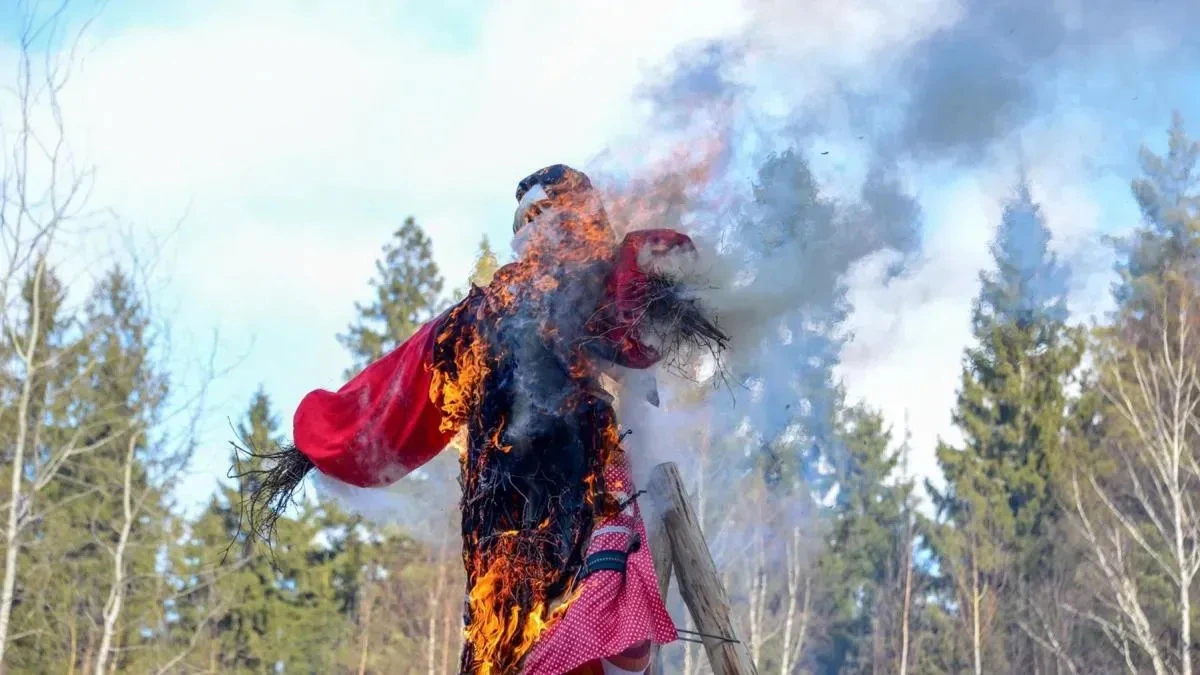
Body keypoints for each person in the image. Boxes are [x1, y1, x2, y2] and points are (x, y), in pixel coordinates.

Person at [250, 165, 704, 674]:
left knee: (561, 635)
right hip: (522, 523)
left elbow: (391, 401)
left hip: (559, 513)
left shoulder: (552, 300)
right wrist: (328, 438)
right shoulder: (486, 317)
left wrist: (328, 437)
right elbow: (399, 397)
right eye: (541, 219)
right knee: (529, 636)